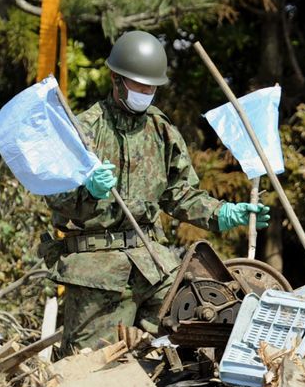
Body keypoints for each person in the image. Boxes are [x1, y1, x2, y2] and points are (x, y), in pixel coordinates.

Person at [42, 30, 270, 354]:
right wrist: (88, 191)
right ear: (116, 78)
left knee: (196, 336)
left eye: (152, 86)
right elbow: (54, 197)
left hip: (155, 268)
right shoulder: (83, 130)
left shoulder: (161, 130)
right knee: (92, 370)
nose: (146, 92)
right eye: (138, 85)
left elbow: (180, 194)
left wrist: (223, 212)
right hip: (99, 275)